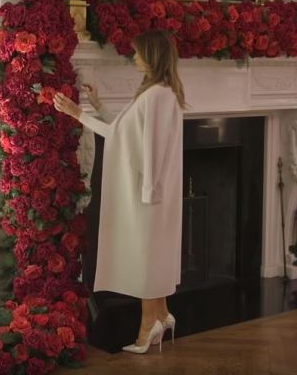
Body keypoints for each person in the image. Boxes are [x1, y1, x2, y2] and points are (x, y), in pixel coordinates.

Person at [53, 30, 185, 354]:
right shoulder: (161, 93)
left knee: (145, 258)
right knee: (152, 256)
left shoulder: (156, 96)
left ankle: (147, 326)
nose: (134, 58)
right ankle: (162, 314)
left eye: (138, 53)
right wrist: (96, 106)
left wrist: (76, 113)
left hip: (147, 195)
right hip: (152, 192)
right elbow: (125, 134)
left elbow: (149, 147)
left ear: (152, 56)